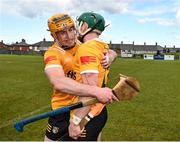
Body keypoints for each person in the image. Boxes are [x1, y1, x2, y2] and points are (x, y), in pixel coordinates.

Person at [44, 13, 118, 141]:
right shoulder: (52, 53)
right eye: (62, 33)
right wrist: (96, 91)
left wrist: (110, 56)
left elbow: (108, 50)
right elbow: (58, 81)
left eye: (71, 29)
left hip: (85, 108)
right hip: (62, 109)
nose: (70, 36)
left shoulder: (83, 44)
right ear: (53, 35)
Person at [68, 12, 117, 140]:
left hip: (88, 113)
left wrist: (75, 121)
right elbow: (112, 52)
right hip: (99, 110)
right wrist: (112, 56)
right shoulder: (102, 45)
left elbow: (91, 91)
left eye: (79, 24)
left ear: (84, 26)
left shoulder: (87, 48)